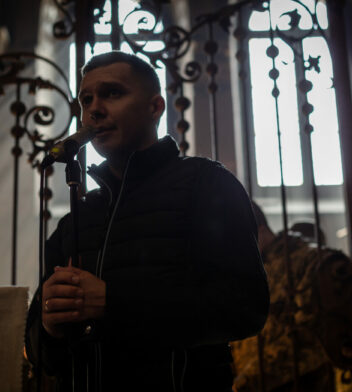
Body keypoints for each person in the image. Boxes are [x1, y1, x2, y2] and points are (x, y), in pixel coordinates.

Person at [25, 51, 269, 392]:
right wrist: (49, 328)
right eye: (86, 99)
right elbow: (42, 358)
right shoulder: (76, 220)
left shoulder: (205, 184)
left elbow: (245, 309)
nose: (93, 109)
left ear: (155, 107)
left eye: (112, 93)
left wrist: (112, 301)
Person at [232, 202, 352, 392]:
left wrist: (248, 380)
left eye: (237, 241)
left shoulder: (310, 263)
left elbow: (317, 341)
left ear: (259, 231)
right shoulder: (254, 273)